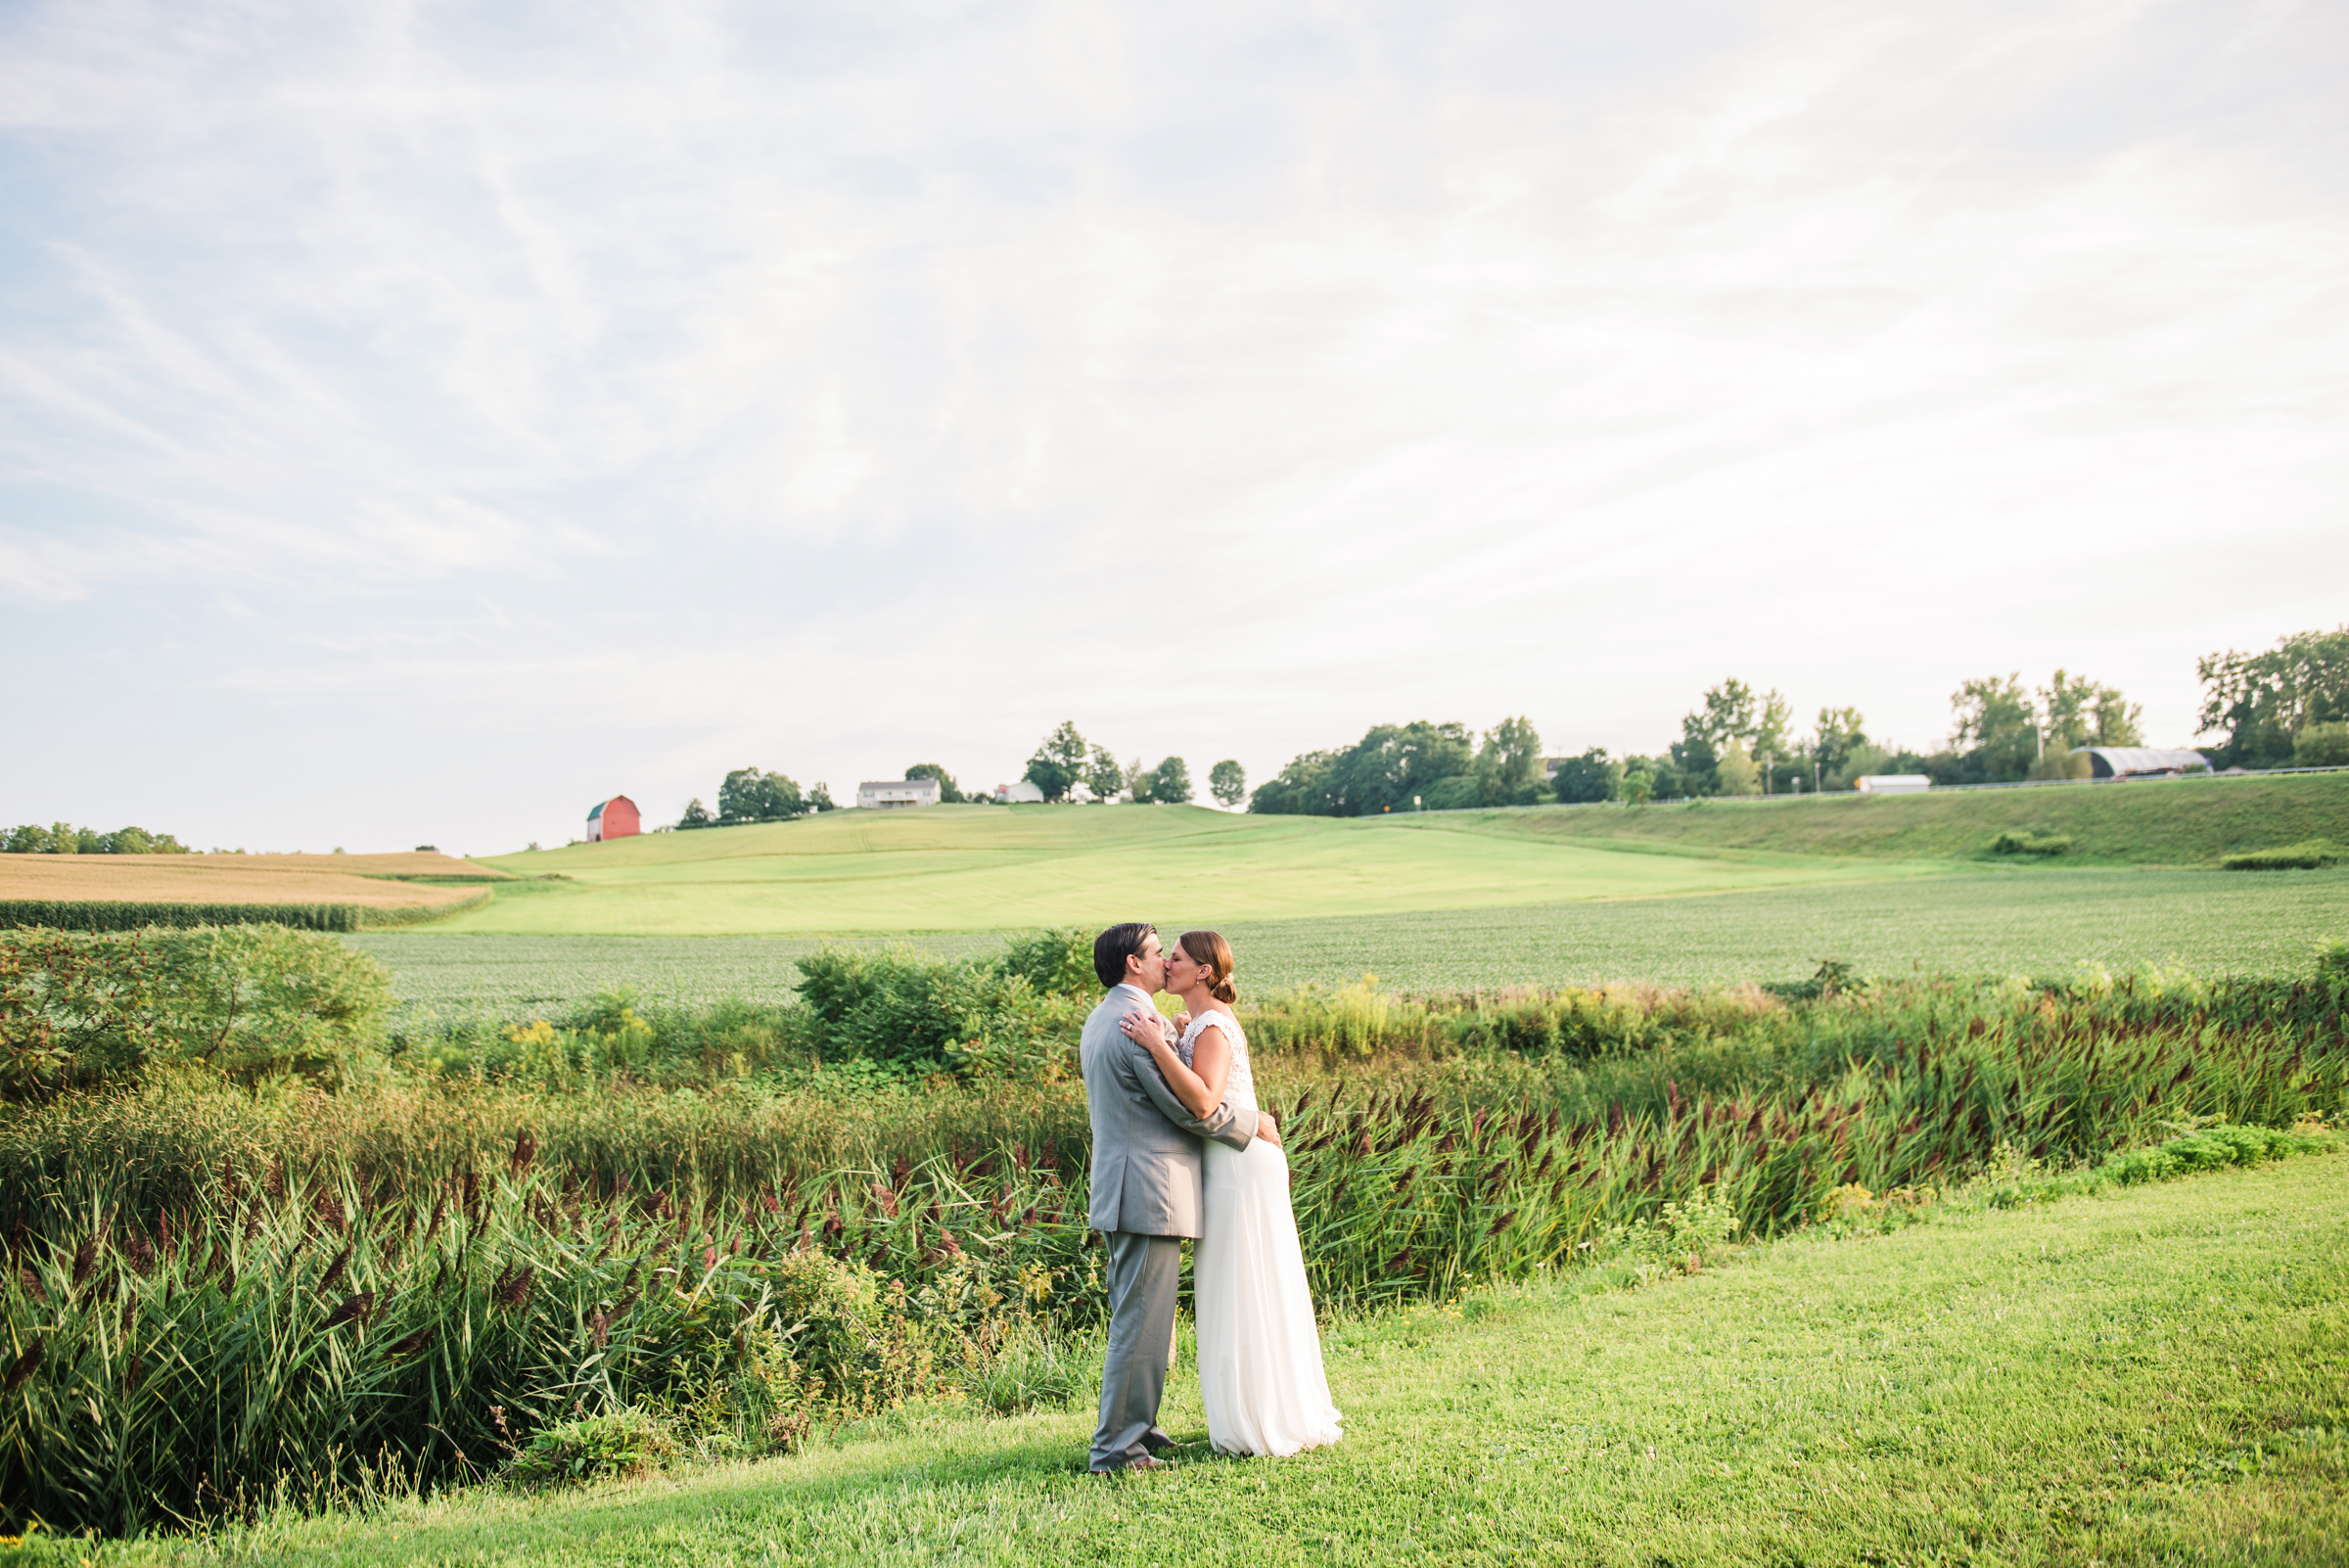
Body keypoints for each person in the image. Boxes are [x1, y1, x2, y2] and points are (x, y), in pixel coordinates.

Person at [1119, 930, 1343, 1457]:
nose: (1167, 964)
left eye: (1176, 958)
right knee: (1234, 1284)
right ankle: (1251, 1408)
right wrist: (1176, 1037)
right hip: (1228, 1165)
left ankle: (1262, 1418)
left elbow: (1202, 1102)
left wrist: (1157, 1046)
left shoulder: (1214, 1026)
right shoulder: (1198, 1024)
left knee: (1247, 1285)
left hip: (1241, 1168)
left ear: (1202, 972)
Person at [1081, 921, 1281, 1474]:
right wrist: (1252, 1121)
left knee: (1143, 1318)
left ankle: (1136, 1427)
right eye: (1155, 953)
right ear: (1133, 965)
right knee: (1141, 1323)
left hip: (1128, 1185)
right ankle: (1117, 1450)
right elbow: (1184, 1107)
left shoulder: (1103, 1017)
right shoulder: (1136, 1021)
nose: (1164, 962)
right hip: (1148, 1189)